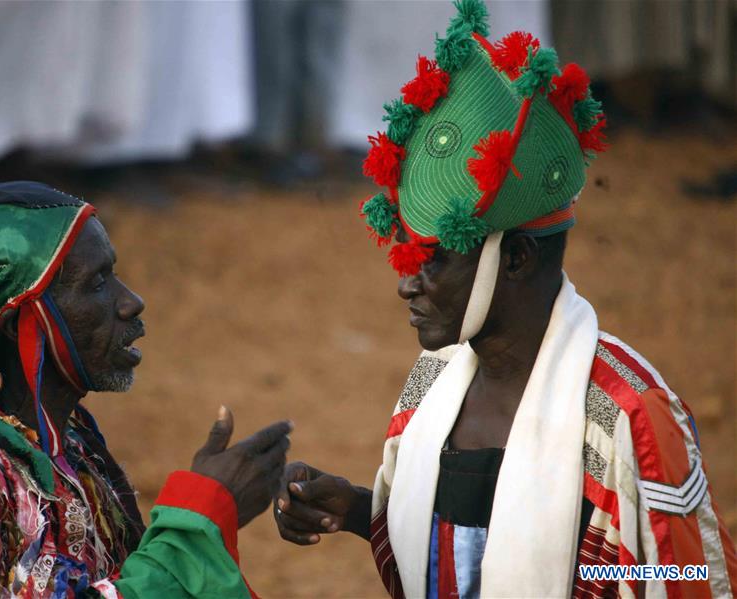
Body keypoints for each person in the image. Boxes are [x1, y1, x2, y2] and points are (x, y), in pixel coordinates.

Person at [273, 1, 737, 597]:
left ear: (514, 258)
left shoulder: (629, 418)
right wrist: (360, 510)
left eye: (434, 257)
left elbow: (686, 577)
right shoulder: (432, 381)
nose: (406, 281)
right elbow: (452, 560)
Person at [0, 181, 290, 597]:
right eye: (97, 282)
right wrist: (199, 519)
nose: (131, 302)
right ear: (15, 324)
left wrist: (207, 513)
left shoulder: (65, 444)